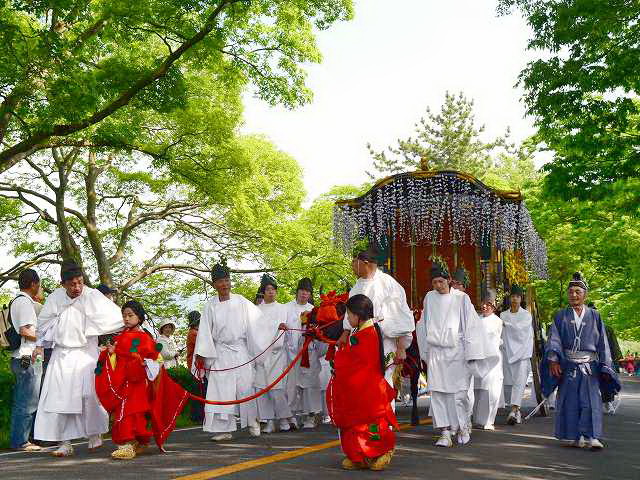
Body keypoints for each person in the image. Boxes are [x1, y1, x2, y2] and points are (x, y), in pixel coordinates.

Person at [33, 261, 122, 457]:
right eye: (72, 284)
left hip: (86, 353)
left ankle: (95, 434)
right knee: (60, 399)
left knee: (89, 395)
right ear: (63, 284)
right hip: (62, 354)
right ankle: (65, 443)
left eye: (80, 282)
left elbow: (117, 317)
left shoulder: (92, 295)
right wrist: (39, 346)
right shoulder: (55, 297)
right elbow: (43, 325)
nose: (77, 287)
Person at [194, 263, 271, 441]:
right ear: (214, 284)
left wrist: (275, 328)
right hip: (220, 353)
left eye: (227, 280)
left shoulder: (241, 301)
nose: (225, 284)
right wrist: (202, 354)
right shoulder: (210, 305)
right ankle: (224, 429)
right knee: (220, 390)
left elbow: (258, 323)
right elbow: (205, 332)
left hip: (240, 351)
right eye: (220, 281)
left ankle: (252, 421)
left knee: (245, 388)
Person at [415, 261, 488, 447]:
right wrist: (425, 351)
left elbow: (472, 326)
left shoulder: (461, 299)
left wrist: (471, 353)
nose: (438, 285)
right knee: (438, 394)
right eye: (434, 282)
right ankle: (445, 432)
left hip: (457, 352)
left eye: (441, 281)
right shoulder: (429, 298)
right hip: (436, 352)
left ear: (448, 280)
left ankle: (463, 427)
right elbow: (423, 324)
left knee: (458, 395)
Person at [545, 272, 620, 449]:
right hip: (569, 366)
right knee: (570, 401)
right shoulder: (560, 316)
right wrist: (553, 360)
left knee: (590, 402)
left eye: (578, 291)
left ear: (585, 294)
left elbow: (603, 343)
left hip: (590, 366)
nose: (574, 295)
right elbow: (554, 339)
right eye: (571, 292)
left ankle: (592, 436)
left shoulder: (595, 315)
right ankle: (573, 435)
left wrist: (606, 366)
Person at [328, 294, 398, 471]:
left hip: (367, 389)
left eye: (349, 315)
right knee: (355, 423)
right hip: (359, 388)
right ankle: (359, 455)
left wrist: (339, 361)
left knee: (372, 424)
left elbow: (357, 362)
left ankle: (383, 451)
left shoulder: (367, 334)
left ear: (357, 315)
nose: (347, 319)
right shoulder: (361, 332)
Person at [339, 245, 415, 393]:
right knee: (362, 385)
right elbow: (350, 315)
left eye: (354, 262)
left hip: (383, 343)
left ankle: (383, 409)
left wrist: (401, 348)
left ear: (365, 263)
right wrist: (345, 333)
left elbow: (400, 317)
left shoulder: (388, 284)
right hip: (359, 344)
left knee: (382, 384)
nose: (352, 266)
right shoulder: (356, 287)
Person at [96, 301, 162, 459]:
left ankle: (127, 444)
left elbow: (153, 358)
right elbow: (119, 355)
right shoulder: (121, 336)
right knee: (127, 411)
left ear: (139, 317)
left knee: (128, 411)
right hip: (123, 379)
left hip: (135, 380)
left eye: (130, 315)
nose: (126, 318)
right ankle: (137, 442)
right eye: (124, 315)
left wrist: (141, 361)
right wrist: (111, 352)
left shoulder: (144, 338)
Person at [255, 274, 295, 433]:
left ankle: (284, 419)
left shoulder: (283, 308)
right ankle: (269, 421)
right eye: (268, 289)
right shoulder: (256, 310)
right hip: (261, 354)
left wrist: (282, 328)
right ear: (263, 292)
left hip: (278, 354)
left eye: (273, 289)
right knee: (262, 389)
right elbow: (256, 331)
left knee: (277, 388)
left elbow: (288, 329)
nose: (271, 292)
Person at [9, 269, 42, 451]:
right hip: (26, 357)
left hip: (19, 356)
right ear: (33, 284)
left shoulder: (17, 301)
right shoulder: (25, 303)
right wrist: (43, 338)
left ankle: (20, 439)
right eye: (39, 284)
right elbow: (25, 330)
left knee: (23, 398)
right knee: (27, 400)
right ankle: (21, 441)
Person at [283, 278, 319, 429]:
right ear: (297, 291)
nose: (304, 294)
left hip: (308, 352)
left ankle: (311, 415)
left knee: (309, 384)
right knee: (291, 386)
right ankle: (290, 416)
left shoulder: (314, 310)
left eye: (307, 292)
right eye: (302, 291)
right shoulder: (286, 308)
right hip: (290, 352)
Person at [500, 284, 533, 425]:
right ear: (509, 298)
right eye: (513, 296)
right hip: (507, 352)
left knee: (519, 382)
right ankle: (516, 410)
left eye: (517, 297)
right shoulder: (503, 315)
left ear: (521, 299)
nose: (515, 299)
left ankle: (513, 411)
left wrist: (507, 325)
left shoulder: (526, 315)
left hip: (522, 353)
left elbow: (521, 330)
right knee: (508, 382)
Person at [472, 296, 504, 430]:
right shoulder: (476, 319)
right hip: (478, 357)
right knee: (476, 389)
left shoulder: (497, 321)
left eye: (488, 304)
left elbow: (491, 339)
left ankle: (488, 420)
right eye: (483, 303)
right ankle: (476, 419)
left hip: (491, 358)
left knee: (490, 389)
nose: (485, 306)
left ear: (493, 307)